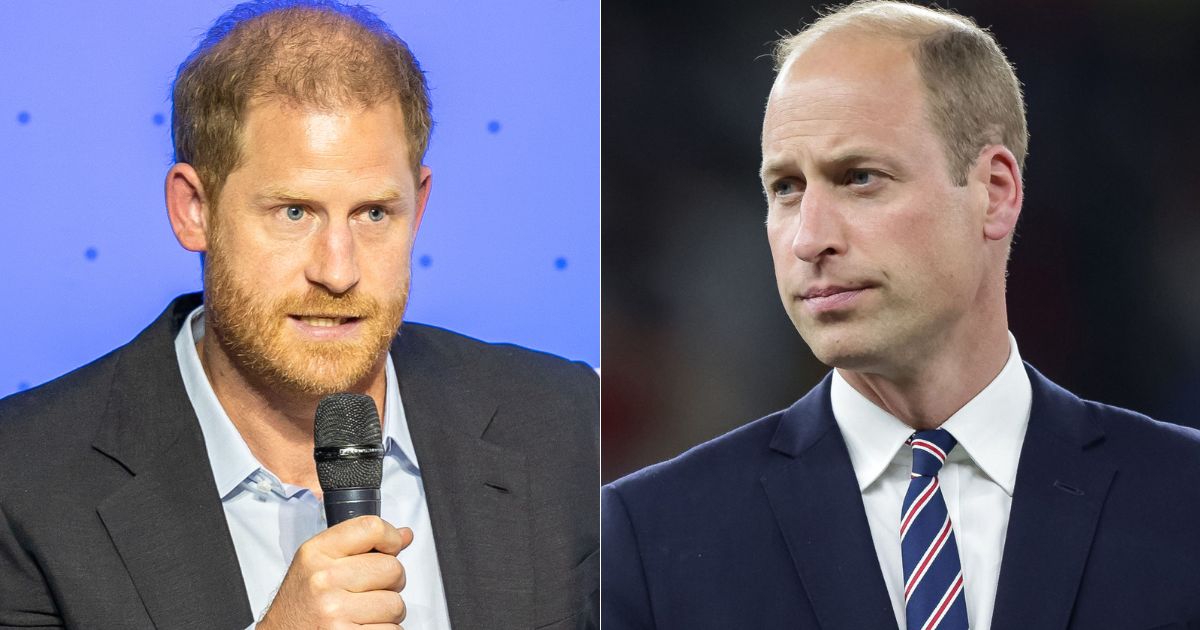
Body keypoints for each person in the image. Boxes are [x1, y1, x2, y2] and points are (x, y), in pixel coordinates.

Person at [602, 2, 1200, 629]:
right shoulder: (650, 537)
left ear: (994, 193)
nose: (809, 238)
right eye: (785, 187)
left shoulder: (1183, 498)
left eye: (859, 177)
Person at [0, 1, 597, 628]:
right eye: (294, 212)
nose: (337, 272)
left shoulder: (567, 422)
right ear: (193, 210)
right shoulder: (24, 482)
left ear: (418, 208)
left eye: (373, 213)